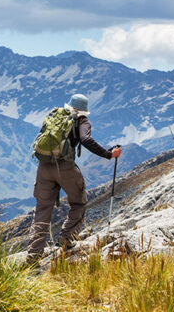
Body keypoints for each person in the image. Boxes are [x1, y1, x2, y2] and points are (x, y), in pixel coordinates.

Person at [26, 93, 121, 264]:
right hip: (65, 168)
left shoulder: (56, 115)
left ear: (69, 105)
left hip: (44, 167)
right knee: (78, 202)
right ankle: (65, 238)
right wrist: (108, 154)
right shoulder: (82, 121)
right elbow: (86, 139)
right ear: (85, 110)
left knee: (42, 210)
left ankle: (33, 256)